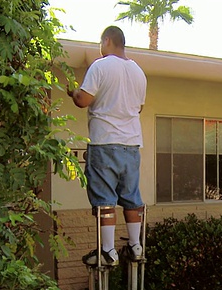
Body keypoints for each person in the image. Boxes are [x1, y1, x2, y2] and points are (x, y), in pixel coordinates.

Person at [67, 26, 147, 266]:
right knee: (131, 196)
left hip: (104, 142)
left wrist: (73, 91)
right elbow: (138, 108)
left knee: (105, 199)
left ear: (107, 40)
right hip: (132, 145)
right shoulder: (138, 72)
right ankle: (135, 246)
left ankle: (108, 252)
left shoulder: (101, 66)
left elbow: (83, 100)